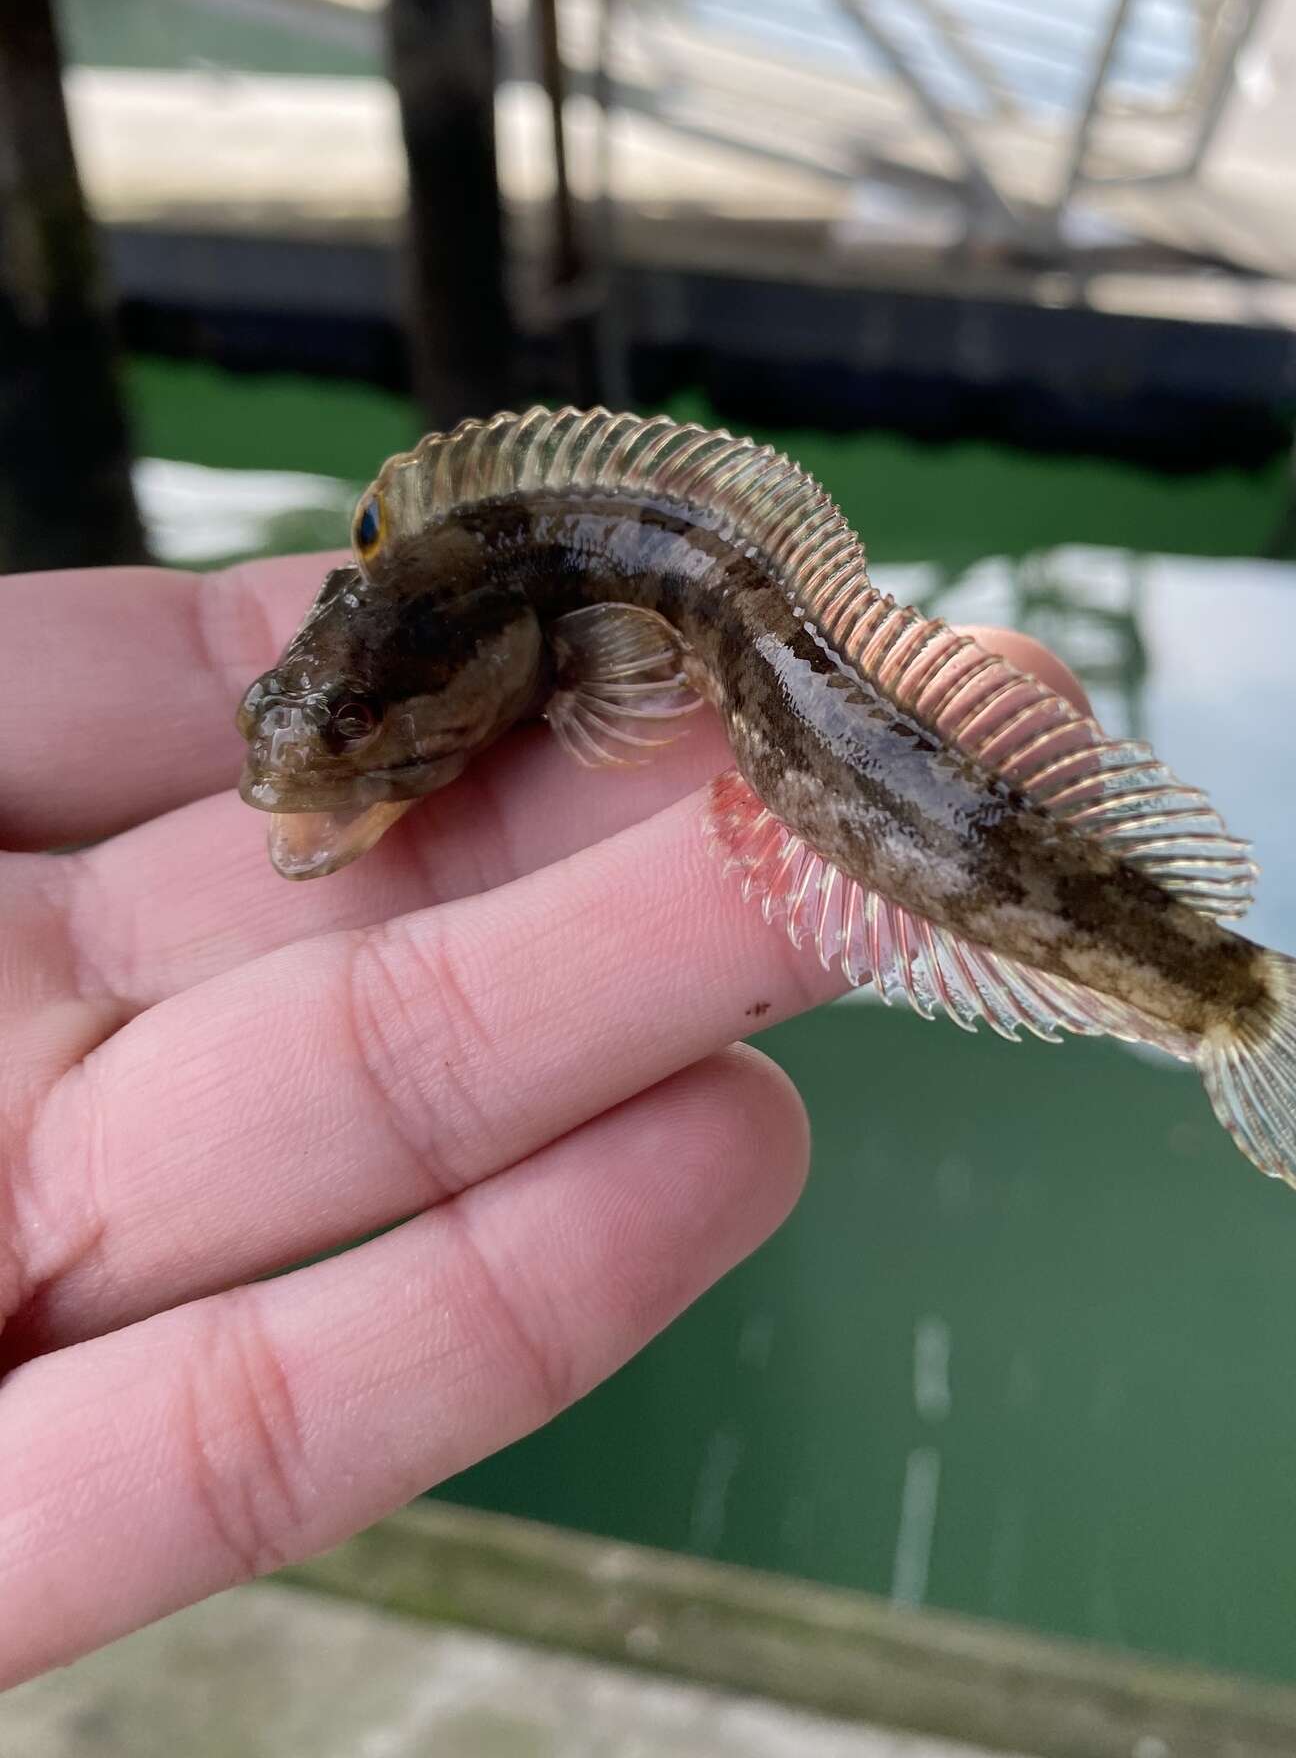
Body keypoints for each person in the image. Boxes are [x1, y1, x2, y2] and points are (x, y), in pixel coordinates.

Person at [0, 553, 1084, 1688]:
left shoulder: (573, 636)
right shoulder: (510, 635)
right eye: (278, 723)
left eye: (361, 722)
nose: (284, 780)